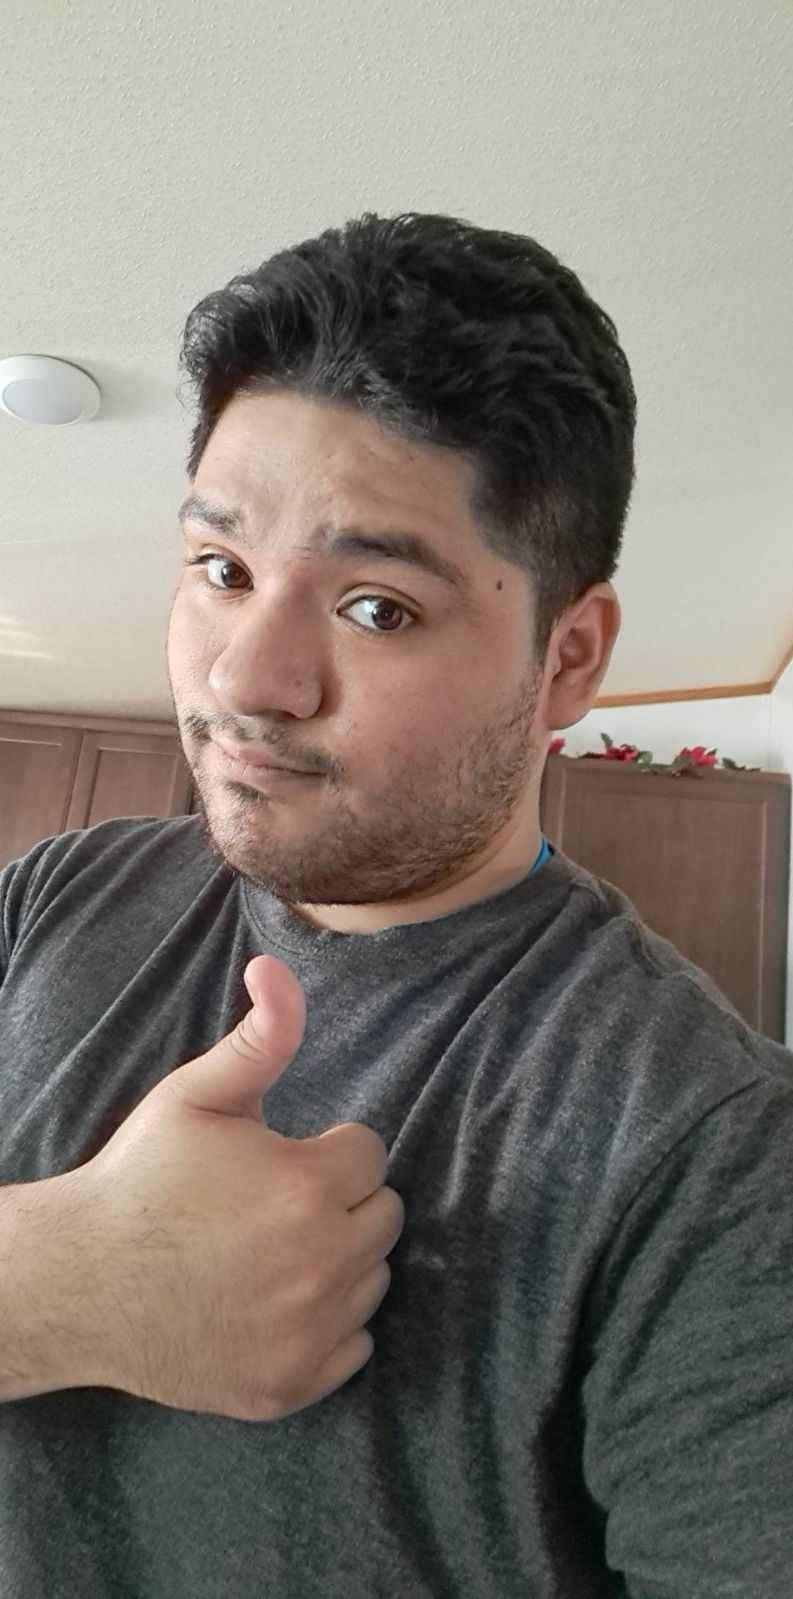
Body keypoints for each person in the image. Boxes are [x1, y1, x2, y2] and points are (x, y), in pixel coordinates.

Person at [1, 211, 791, 1597]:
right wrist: (60, 1285)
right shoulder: (57, 896)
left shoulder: (716, 1155)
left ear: (568, 658)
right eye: (221, 570)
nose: (249, 679)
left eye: (375, 607)